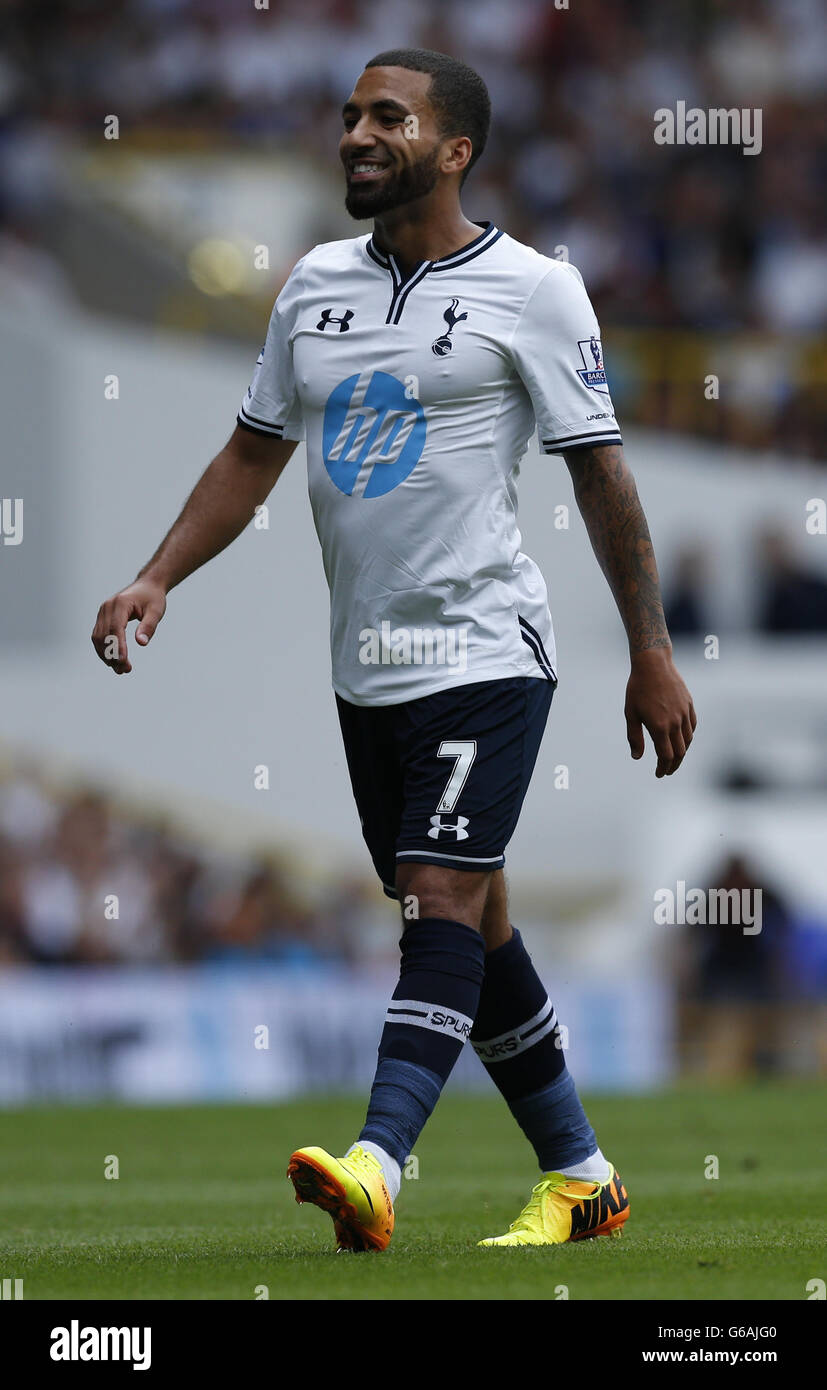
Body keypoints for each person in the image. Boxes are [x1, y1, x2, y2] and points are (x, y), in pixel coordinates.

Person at [92, 49, 696, 1252]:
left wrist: (651, 649)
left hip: (483, 649)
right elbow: (252, 452)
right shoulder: (312, 285)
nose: (355, 134)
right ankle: (581, 1178)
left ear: (454, 149)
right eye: (350, 115)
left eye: (387, 117)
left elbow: (601, 475)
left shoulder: (534, 290)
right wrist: (159, 572)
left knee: (436, 895)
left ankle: (376, 1163)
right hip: (363, 667)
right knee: (472, 925)